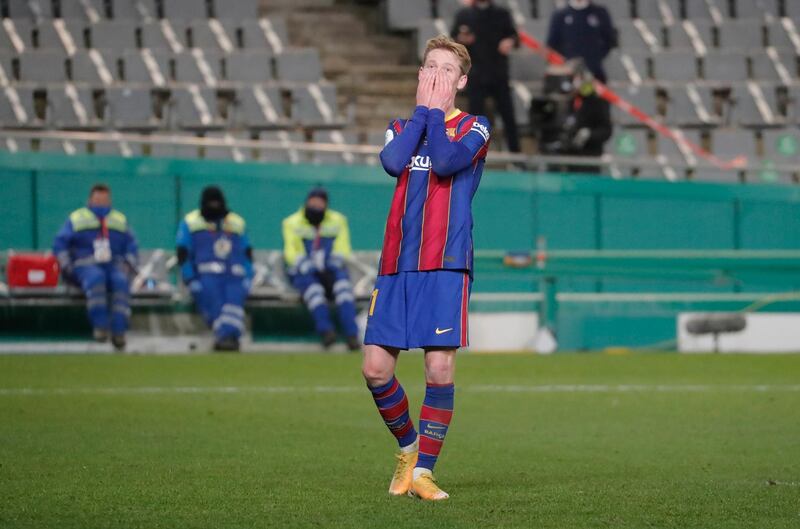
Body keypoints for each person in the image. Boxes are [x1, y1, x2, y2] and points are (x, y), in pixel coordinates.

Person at [361, 35, 490, 501]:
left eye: (446, 69)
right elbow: (393, 162)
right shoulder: (400, 126)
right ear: (420, 75)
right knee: (375, 369)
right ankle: (408, 448)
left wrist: (435, 114)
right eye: (430, 66)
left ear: (461, 80)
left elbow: (445, 159)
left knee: (438, 369)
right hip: (396, 264)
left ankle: (423, 474)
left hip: (446, 264)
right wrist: (422, 112)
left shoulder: (476, 127)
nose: (437, 74)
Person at [53, 183, 138, 350]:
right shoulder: (76, 218)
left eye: (104, 199)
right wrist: (66, 266)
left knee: (120, 282)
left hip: (113, 265)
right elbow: (60, 244)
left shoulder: (119, 219)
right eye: (97, 199)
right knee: (96, 279)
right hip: (85, 265)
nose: (101, 202)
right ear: (90, 199)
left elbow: (132, 245)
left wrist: (128, 264)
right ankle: (100, 328)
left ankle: (119, 332)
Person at [176, 186, 253, 352]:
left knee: (233, 300)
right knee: (213, 301)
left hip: (234, 275)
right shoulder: (190, 222)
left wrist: (248, 276)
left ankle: (227, 337)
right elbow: (183, 253)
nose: (214, 206)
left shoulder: (237, 222)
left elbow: (247, 253)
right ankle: (227, 336)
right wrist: (189, 277)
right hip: (205, 276)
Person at [282, 187, 360, 351]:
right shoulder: (291, 222)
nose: (316, 206)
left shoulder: (338, 220)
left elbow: (343, 246)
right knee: (314, 292)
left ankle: (352, 335)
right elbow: (291, 250)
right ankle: (326, 333)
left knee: (344, 289)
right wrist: (305, 265)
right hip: (305, 272)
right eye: (313, 202)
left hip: (331, 269)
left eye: (320, 202)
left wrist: (333, 263)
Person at [450, 0, 520, 152]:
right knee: (474, 120)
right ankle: (472, 154)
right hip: (476, 75)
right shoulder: (464, 14)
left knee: (508, 116)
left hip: (499, 74)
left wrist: (510, 41)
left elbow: (515, 37)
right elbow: (453, 39)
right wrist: (462, 40)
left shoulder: (502, 14)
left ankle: (516, 156)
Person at [535, 61, 612, 172]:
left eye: (574, 77)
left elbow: (606, 131)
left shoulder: (597, 102)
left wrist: (588, 134)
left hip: (589, 159)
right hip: (568, 159)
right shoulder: (568, 101)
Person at [546, 0, 617, 83]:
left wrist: (595, 59)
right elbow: (552, 44)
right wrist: (567, 62)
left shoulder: (600, 12)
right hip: (567, 75)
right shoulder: (560, 14)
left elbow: (609, 40)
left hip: (594, 73)